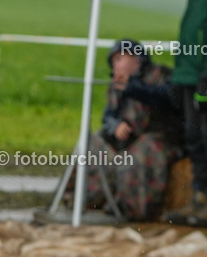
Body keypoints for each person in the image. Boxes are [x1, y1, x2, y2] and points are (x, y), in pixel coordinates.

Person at [64, 40, 181, 220]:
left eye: (120, 59)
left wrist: (132, 88)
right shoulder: (118, 82)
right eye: (113, 61)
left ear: (136, 58)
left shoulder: (161, 75)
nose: (115, 65)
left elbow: (164, 97)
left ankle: (131, 209)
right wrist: (115, 124)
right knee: (92, 143)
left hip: (160, 137)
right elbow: (109, 114)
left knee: (136, 155)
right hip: (128, 138)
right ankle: (84, 197)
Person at [169, 0, 207, 216]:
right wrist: (180, 72)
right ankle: (201, 197)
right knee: (194, 135)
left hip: (206, 75)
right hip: (189, 73)